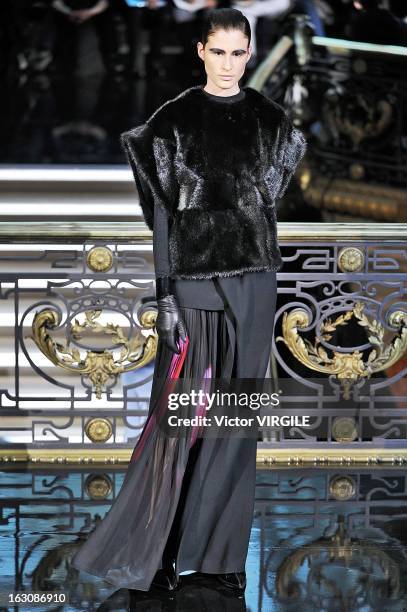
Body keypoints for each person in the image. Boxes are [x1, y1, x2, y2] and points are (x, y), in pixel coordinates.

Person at [71, 7, 306, 593]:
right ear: (201, 51)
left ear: (250, 53)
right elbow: (162, 223)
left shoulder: (270, 121)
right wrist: (164, 294)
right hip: (195, 287)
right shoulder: (170, 125)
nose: (229, 64)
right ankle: (158, 549)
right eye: (218, 51)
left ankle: (220, 558)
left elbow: (271, 195)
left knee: (235, 423)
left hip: (253, 282)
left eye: (238, 52)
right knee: (181, 420)